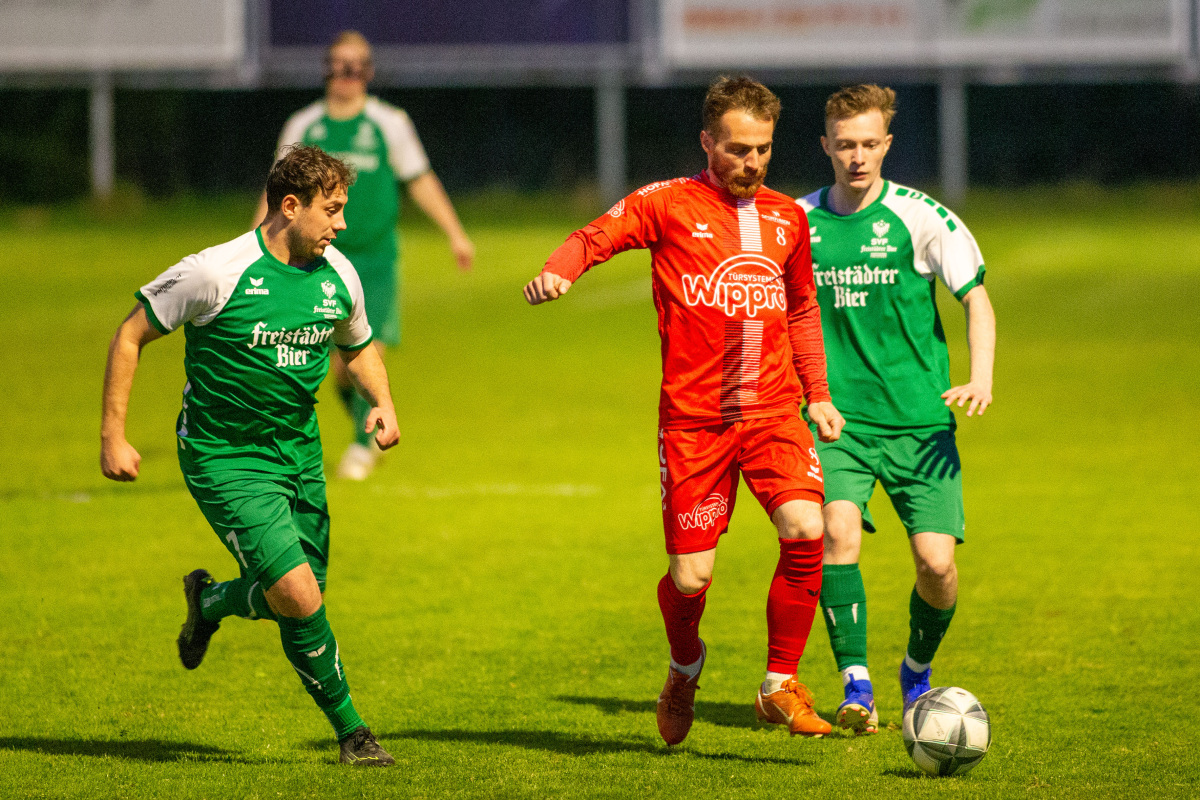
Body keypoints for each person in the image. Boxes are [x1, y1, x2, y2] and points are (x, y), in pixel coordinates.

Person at [524, 76, 846, 746]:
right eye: (737, 149)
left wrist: (817, 392)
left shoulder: (788, 218)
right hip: (695, 423)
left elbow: (802, 307)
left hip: (772, 412)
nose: (752, 162)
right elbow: (595, 235)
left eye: (762, 149)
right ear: (707, 141)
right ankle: (684, 666)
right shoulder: (668, 203)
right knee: (691, 576)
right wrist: (560, 269)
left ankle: (778, 683)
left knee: (806, 526)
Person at [103, 145, 400, 766]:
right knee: (300, 598)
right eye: (332, 210)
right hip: (225, 457)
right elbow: (131, 334)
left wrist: (381, 402)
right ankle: (354, 733)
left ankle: (210, 602)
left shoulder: (338, 274)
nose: (342, 224)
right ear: (290, 206)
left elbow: (358, 345)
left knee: (297, 596)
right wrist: (114, 435)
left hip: (299, 453)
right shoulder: (216, 271)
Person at [797, 84, 996, 735]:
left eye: (868, 143)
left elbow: (976, 299)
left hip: (920, 423)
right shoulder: (797, 223)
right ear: (826, 146)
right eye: (844, 145)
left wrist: (980, 377)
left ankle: (916, 669)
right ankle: (856, 685)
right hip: (837, 421)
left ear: (886, 144)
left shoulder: (922, 217)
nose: (857, 156)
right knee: (835, 533)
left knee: (937, 566)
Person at [255, 30, 474, 481]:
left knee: (366, 349)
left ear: (368, 73)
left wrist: (455, 234)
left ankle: (361, 444)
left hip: (374, 260)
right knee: (335, 368)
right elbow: (276, 193)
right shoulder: (304, 126)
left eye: (355, 66)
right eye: (339, 65)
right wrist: (253, 244)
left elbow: (420, 179)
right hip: (314, 261)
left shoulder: (388, 122)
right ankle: (363, 424)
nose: (346, 74)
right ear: (327, 70)